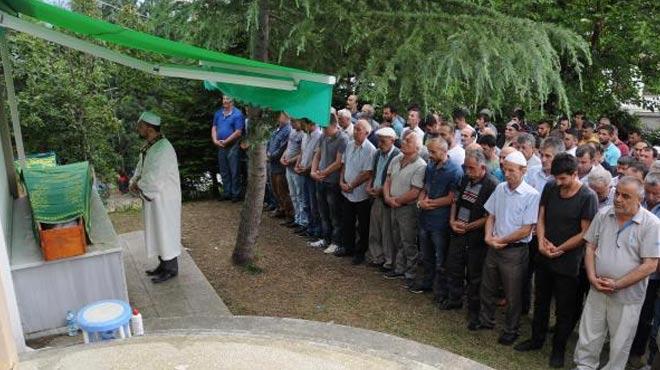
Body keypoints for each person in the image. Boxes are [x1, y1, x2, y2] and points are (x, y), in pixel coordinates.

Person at [514, 153, 598, 368]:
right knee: (540, 301)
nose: (558, 183)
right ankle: (536, 339)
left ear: (575, 174)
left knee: (564, 308)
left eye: (563, 179)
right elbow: (541, 216)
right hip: (544, 255)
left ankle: (558, 349)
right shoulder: (550, 187)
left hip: (568, 262)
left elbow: (585, 233)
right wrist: (541, 242)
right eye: (556, 178)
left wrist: (559, 248)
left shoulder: (588, 197)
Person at [573, 176, 660, 370]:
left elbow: (650, 265)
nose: (618, 199)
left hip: (627, 296)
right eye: (618, 193)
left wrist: (617, 284)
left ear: (639, 199)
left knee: (620, 341)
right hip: (597, 288)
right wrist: (592, 277)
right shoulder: (604, 214)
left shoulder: (652, 224)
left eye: (626, 196)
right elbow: (590, 247)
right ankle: (584, 366)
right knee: (589, 334)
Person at [474, 151, 541, 346]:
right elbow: (491, 216)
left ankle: (511, 329)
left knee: (513, 294)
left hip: (514, 251)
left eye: (512, 170)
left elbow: (526, 229)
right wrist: (488, 237)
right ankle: (485, 320)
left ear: (523, 170)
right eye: (505, 169)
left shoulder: (531, 195)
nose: (507, 173)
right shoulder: (501, 188)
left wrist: (500, 239)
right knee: (487, 287)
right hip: (495, 246)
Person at [444, 149, 498, 320]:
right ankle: (454, 298)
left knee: (475, 275)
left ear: (482, 167)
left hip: (476, 237)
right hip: (458, 231)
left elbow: (490, 216)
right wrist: (453, 221)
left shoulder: (492, 185)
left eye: (471, 168)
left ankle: (474, 310)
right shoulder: (465, 178)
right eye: (466, 167)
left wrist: (468, 227)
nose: (468, 171)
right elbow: (455, 201)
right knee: (454, 266)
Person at [130, 112, 182, 284]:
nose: (139, 129)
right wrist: (134, 180)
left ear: (149, 128)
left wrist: (139, 185)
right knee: (157, 230)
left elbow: (156, 176)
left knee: (166, 231)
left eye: (141, 126)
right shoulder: (151, 146)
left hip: (165, 199)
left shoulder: (164, 148)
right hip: (156, 198)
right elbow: (142, 166)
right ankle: (163, 264)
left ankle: (171, 269)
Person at [410, 138, 463, 297]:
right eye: (429, 151)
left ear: (444, 151)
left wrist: (429, 204)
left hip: (440, 221)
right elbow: (425, 187)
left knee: (441, 258)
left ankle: (441, 290)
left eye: (433, 152)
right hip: (426, 218)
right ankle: (427, 282)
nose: (430, 155)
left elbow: (451, 198)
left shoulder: (455, 171)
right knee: (426, 255)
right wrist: (421, 201)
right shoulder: (431, 166)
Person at [383, 132, 426, 281]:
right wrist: (388, 198)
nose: (403, 142)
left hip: (407, 208)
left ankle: (410, 272)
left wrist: (397, 201)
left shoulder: (420, 165)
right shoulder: (396, 159)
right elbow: (387, 180)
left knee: (408, 241)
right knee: (396, 238)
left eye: (408, 141)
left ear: (417, 147)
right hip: (393, 204)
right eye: (404, 140)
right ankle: (399, 268)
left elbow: (415, 191)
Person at [338, 120, 377, 263]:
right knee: (347, 221)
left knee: (362, 225)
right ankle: (347, 247)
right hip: (347, 191)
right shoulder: (349, 145)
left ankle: (360, 252)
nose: (355, 132)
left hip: (361, 194)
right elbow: (344, 165)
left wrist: (351, 185)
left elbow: (367, 173)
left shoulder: (371, 150)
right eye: (354, 129)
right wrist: (341, 181)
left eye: (358, 130)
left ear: (367, 133)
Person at [309, 119, 349, 253]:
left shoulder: (343, 139)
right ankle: (325, 238)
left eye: (326, 128)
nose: (324, 130)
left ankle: (336, 241)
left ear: (334, 125)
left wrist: (323, 173)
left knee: (334, 214)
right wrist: (313, 171)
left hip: (333, 181)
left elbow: (339, 163)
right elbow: (317, 155)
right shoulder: (323, 136)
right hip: (321, 180)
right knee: (323, 212)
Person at [366, 127, 400, 272]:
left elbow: (394, 178)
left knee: (386, 231)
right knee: (375, 229)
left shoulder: (397, 155)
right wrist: (369, 186)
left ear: (392, 140)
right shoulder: (377, 154)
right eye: (379, 140)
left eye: (383, 141)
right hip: (375, 195)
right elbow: (373, 172)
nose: (380, 143)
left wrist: (382, 191)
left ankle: (388, 260)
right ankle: (376, 257)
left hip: (386, 197)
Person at [212, 95, 245, 202]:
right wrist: (215, 140)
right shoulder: (218, 113)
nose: (225, 101)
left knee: (234, 170)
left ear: (232, 101)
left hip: (233, 145)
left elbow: (238, 132)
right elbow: (214, 127)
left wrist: (226, 141)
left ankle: (236, 193)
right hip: (220, 145)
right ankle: (227, 192)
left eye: (227, 99)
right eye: (224, 99)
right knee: (224, 170)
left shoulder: (237, 114)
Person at [295, 118, 322, 239]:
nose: (301, 126)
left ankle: (316, 230)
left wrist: (307, 169)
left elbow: (317, 157)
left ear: (311, 124)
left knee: (313, 203)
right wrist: (298, 164)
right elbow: (302, 151)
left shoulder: (319, 137)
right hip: (303, 172)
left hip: (311, 174)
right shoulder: (306, 135)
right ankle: (309, 227)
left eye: (304, 124)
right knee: (306, 201)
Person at [266, 113, 293, 219]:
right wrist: (267, 152)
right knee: (275, 189)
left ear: (287, 116)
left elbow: (282, 148)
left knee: (282, 190)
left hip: (280, 166)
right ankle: (281, 208)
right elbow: (270, 142)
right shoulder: (278, 129)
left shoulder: (288, 130)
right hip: (272, 164)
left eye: (280, 114)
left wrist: (271, 156)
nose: (277, 116)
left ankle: (289, 213)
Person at [281, 119, 306, 230]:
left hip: (297, 169)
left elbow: (302, 152)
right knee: (293, 194)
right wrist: (283, 157)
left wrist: (291, 160)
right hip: (288, 168)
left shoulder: (303, 135)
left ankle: (303, 221)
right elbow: (288, 147)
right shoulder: (292, 131)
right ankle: (296, 218)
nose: (292, 124)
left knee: (300, 195)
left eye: (295, 122)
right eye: (291, 122)